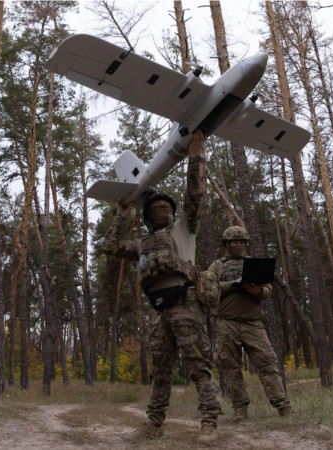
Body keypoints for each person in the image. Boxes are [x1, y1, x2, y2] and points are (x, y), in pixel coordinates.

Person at [100, 130, 221, 444]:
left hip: (185, 302)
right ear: (147, 215)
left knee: (198, 364)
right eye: (154, 207)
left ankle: (209, 421)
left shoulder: (184, 230)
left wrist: (195, 156)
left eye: (164, 205)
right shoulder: (142, 243)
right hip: (157, 310)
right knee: (161, 370)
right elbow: (109, 246)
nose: (160, 208)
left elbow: (194, 195)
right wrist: (120, 214)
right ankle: (154, 424)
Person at [207, 226, 291, 422]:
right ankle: (240, 410)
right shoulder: (218, 265)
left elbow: (268, 289)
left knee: (268, 363)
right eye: (234, 242)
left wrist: (258, 292)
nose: (238, 245)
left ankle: (283, 407)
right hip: (226, 323)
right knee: (230, 368)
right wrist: (234, 284)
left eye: (242, 242)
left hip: (253, 323)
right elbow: (208, 288)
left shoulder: (255, 264)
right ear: (227, 244)